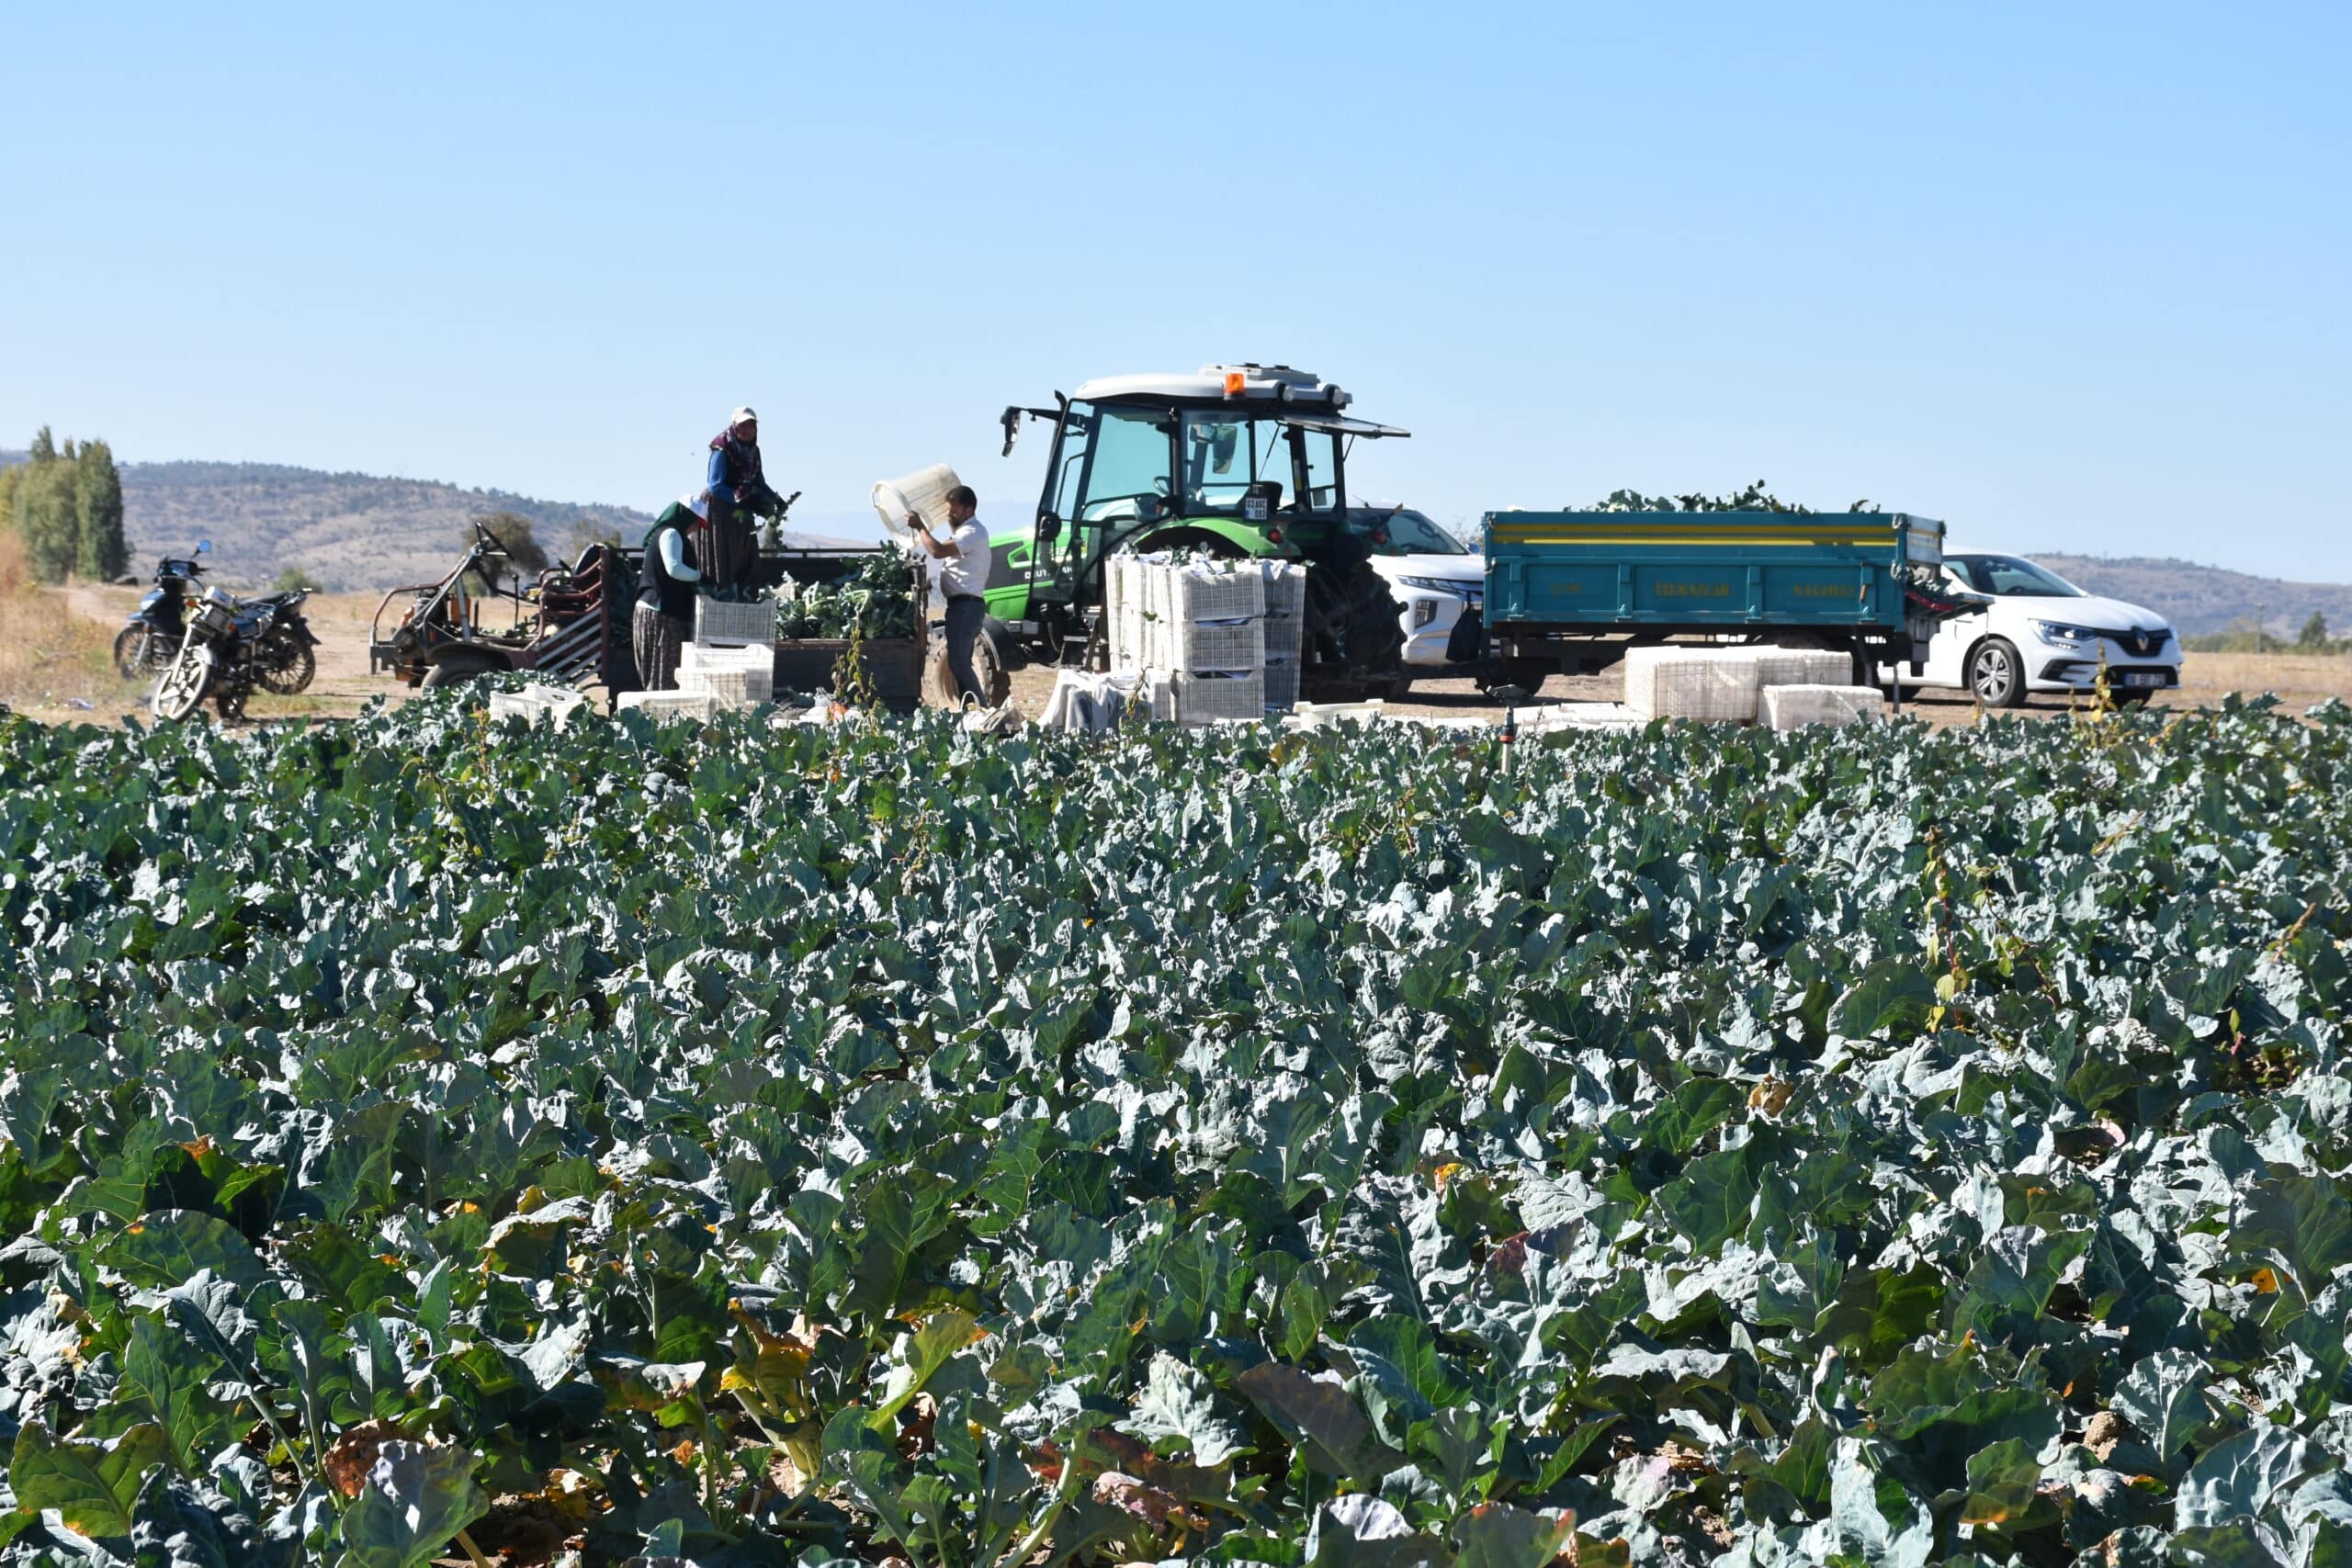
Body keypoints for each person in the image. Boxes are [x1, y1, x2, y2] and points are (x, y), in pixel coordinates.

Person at [907, 485, 990, 705]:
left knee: (959, 663)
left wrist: (920, 527)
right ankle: (968, 710)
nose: (949, 516)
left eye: (954, 512)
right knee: (959, 664)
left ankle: (983, 710)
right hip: (962, 606)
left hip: (965, 607)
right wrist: (953, 522)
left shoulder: (973, 532)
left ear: (969, 510)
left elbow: (937, 550)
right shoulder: (965, 531)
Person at [705, 407, 787, 592]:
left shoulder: (753, 451)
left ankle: (744, 595)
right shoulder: (722, 448)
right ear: (734, 426)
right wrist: (737, 497)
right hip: (721, 510)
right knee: (725, 557)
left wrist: (775, 499)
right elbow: (715, 485)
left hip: (743, 509)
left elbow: (758, 481)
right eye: (743, 425)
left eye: (752, 425)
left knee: (745, 557)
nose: (748, 429)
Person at [632, 500, 703, 691]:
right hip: (660, 613)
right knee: (662, 678)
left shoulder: (670, 534)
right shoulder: (671, 534)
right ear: (685, 517)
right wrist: (700, 577)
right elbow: (674, 568)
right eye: (695, 522)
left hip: (658, 611)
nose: (695, 528)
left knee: (658, 678)